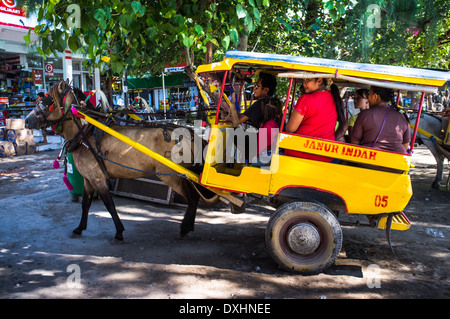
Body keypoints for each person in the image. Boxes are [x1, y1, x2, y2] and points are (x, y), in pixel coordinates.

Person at [285, 77, 346, 162]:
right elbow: (344, 126)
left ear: (319, 81)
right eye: (304, 80)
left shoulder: (305, 99)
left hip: (299, 154)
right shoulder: (334, 98)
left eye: (308, 80)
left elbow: (290, 128)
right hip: (326, 156)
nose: (304, 83)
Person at [350, 86, 410, 154]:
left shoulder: (365, 114)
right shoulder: (402, 116)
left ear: (375, 96)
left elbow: (355, 142)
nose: (368, 98)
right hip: (397, 161)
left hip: (370, 161)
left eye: (369, 94)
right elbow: (406, 145)